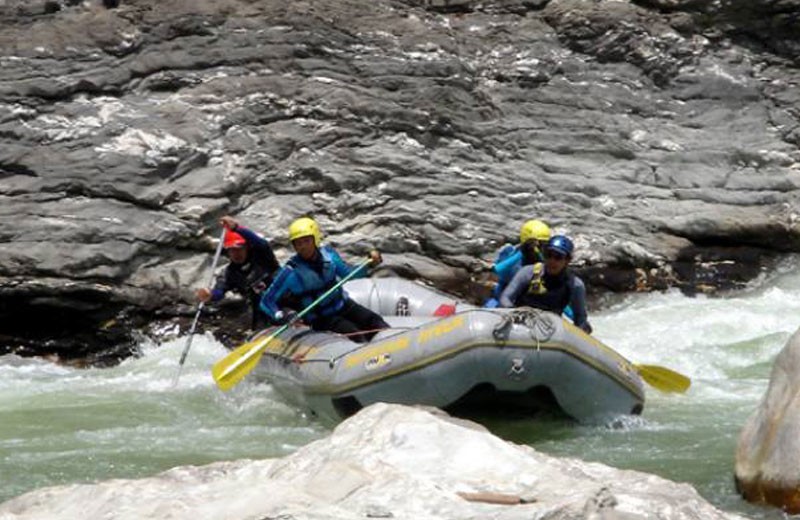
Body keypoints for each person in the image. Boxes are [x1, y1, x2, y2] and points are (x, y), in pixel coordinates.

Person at [259, 216, 389, 343]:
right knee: (355, 334)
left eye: (306, 241)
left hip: (343, 305)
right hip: (321, 318)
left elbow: (350, 274)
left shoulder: (329, 256)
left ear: (315, 239)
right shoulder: (290, 271)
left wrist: (369, 264)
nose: (302, 247)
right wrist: (282, 316)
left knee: (376, 322)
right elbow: (267, 301)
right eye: (298, 243)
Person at [195, 216, 281, 330]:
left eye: (240, 249)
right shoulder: (229, 273)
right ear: (228, 252)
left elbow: (261, 243)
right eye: (232, 250)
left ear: (247, 248)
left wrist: (236, 228)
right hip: (260, 312)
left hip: (283, 301)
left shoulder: (263, 258)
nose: (236, 253)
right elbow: (220, 292)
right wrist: (210, 295)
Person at [499, 235, 592, 334]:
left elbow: (579, 317)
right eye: (548, 255)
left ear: (567, 261)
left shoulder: (575, 285)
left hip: (549, 330)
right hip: (520, 323)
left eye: (558, 257)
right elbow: (506, 297)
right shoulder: (528, 272)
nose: (552, 261)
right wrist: (513, 313)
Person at [484, 219, 551, 308]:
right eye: (540, 244)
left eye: (545, 244)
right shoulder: (510, 253)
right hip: (503, 296)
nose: (543, 248)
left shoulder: (544, 259)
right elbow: (499, 271)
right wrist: (522, 252)